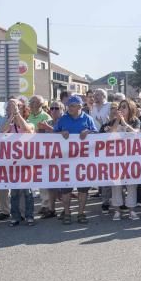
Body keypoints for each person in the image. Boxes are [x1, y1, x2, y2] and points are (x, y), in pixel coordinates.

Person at [52, 96, 97, 224]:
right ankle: (67, 213)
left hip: (83, 161)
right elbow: (51, 136)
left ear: (79, 107)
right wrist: (60, 134)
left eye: (72, 105)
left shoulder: (88, 119)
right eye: (68, 105)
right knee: (66, 189)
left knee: (83, 189)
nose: (69, 108)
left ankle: (81, 213)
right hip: (66, 161)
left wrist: (88, 132)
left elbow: (97, 135)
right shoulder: (63, 119)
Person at [0, 98, 36, 227]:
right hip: (12, 163)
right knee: (14, 192)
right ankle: (15, 216)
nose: (13, 108)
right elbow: (1, 132)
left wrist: (16, 114)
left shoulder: (30, 123)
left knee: (27, 192)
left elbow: (26, 129)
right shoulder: (8, 124)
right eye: (10, 106)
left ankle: (29, 216)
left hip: (26, 162)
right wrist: (11, 117)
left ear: (23, 108)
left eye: (17, 106)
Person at [101, 100, 141, 221]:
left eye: (124, 107)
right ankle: (117, 211)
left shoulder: (136, 121)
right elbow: (110, 134)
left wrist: (124, 123)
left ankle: (131, 210)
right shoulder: (113, 121)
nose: (121, 109)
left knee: (131, 185)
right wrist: (118, 121)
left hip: (131, 159)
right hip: (116, 159)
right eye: (120, 107)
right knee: (116, 185)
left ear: (130, 108)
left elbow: (135, 133)